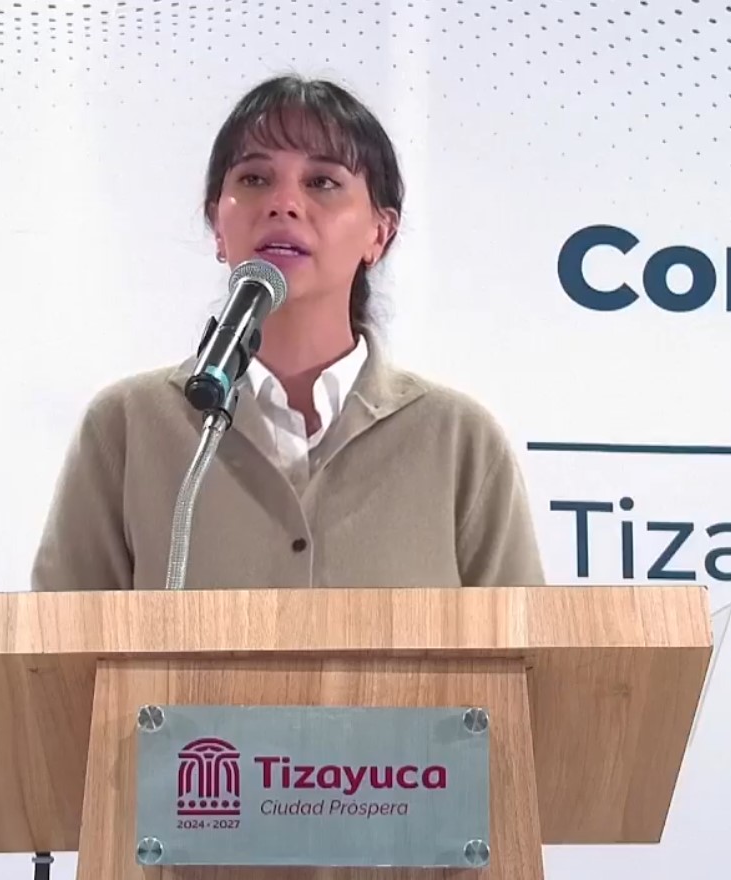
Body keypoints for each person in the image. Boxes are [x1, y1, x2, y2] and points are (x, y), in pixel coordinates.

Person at [30, 74, 544, 592]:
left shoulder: (459, 441)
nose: (284, 203)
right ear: (217, 224)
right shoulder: (126, 428)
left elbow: (521, 640)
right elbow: (57, 638)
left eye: (322, 182)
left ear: (379, 233)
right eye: (254, 178)